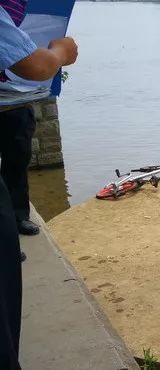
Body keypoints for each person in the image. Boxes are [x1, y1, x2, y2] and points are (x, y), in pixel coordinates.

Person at [1, 5, 78, 368]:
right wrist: (61, 52)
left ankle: (18, 220)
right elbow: (34, 65)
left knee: (17, 163)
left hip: (15, 104)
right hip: (13, 91)